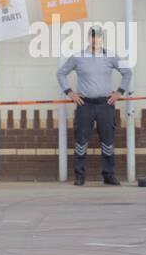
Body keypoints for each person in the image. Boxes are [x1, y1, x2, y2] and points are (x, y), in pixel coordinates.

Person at [57, 27, 133, 186]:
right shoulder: (77, 56)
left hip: (106, 104)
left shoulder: (111, 55)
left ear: (102, 39)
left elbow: (127, 72)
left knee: (108, 140)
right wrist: (70, 93)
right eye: (92, 37)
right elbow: (61, 73)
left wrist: (119, 92)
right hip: (85, 105)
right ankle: (79, 175)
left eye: (98, 37)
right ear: (88, 38)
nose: (95, 40)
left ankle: (109, 175)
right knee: (81, 140)